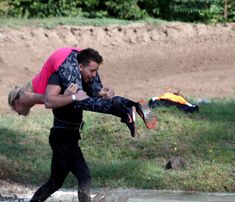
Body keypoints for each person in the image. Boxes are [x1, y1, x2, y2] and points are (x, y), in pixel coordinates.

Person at [17, 48, 104, 202]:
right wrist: (70, 96)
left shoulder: (80, 82)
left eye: (95, 71)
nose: (93, 75)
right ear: (78, 66)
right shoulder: (57, 78)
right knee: (84, 176)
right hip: (62, 137)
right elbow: (49, 101)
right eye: (92, 71)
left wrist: (105, 94)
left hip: (69, 135)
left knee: (55, 182)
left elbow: (92, 97)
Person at [8, 47, 156, 136]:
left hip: (67, 59)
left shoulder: (24, 96)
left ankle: (124, 112)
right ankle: (136, 105)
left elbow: (49, 100)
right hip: (79, 56)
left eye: (15, 109)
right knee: (100, 95)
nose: (19, 113)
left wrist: (70, 97)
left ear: (16, 102)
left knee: (79, 101)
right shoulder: (33, 87)